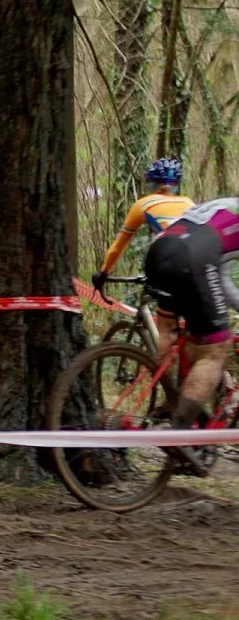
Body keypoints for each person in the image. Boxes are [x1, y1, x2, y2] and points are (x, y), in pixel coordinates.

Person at [144, 196, 239, 475]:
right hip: (192, 258)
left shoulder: (224, 206)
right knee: (215, 350)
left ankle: (183, 413)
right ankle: (179, 433)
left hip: (158, 252)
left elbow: (219, 273)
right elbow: (215, 273)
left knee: (191, 339)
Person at [93, 158, 193, 362]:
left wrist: (103, 272)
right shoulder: (190, 203)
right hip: (200, 263)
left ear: (151, 183)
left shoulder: (143, 204)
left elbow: (118, 247)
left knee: (165, 329)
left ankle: (169, 385)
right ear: (176, 184)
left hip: (168, 263)